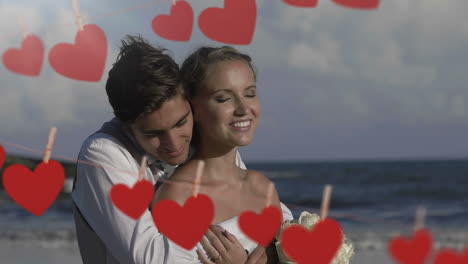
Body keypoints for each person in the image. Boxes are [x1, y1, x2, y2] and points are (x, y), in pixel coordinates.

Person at [72, 35, 292, 264]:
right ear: (126, 127)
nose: (174, 143)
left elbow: (253, 198)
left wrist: (275, 245)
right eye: (153, 134)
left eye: (180, 123)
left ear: (190, 106)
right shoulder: (103, 154)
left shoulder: (207, 144)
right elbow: (151, 258)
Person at [153, 46, 288, 264]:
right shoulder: (176, 197)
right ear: (192, 109)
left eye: (250, 94)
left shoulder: (262, 189)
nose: (243, 108)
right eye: (224, 98)